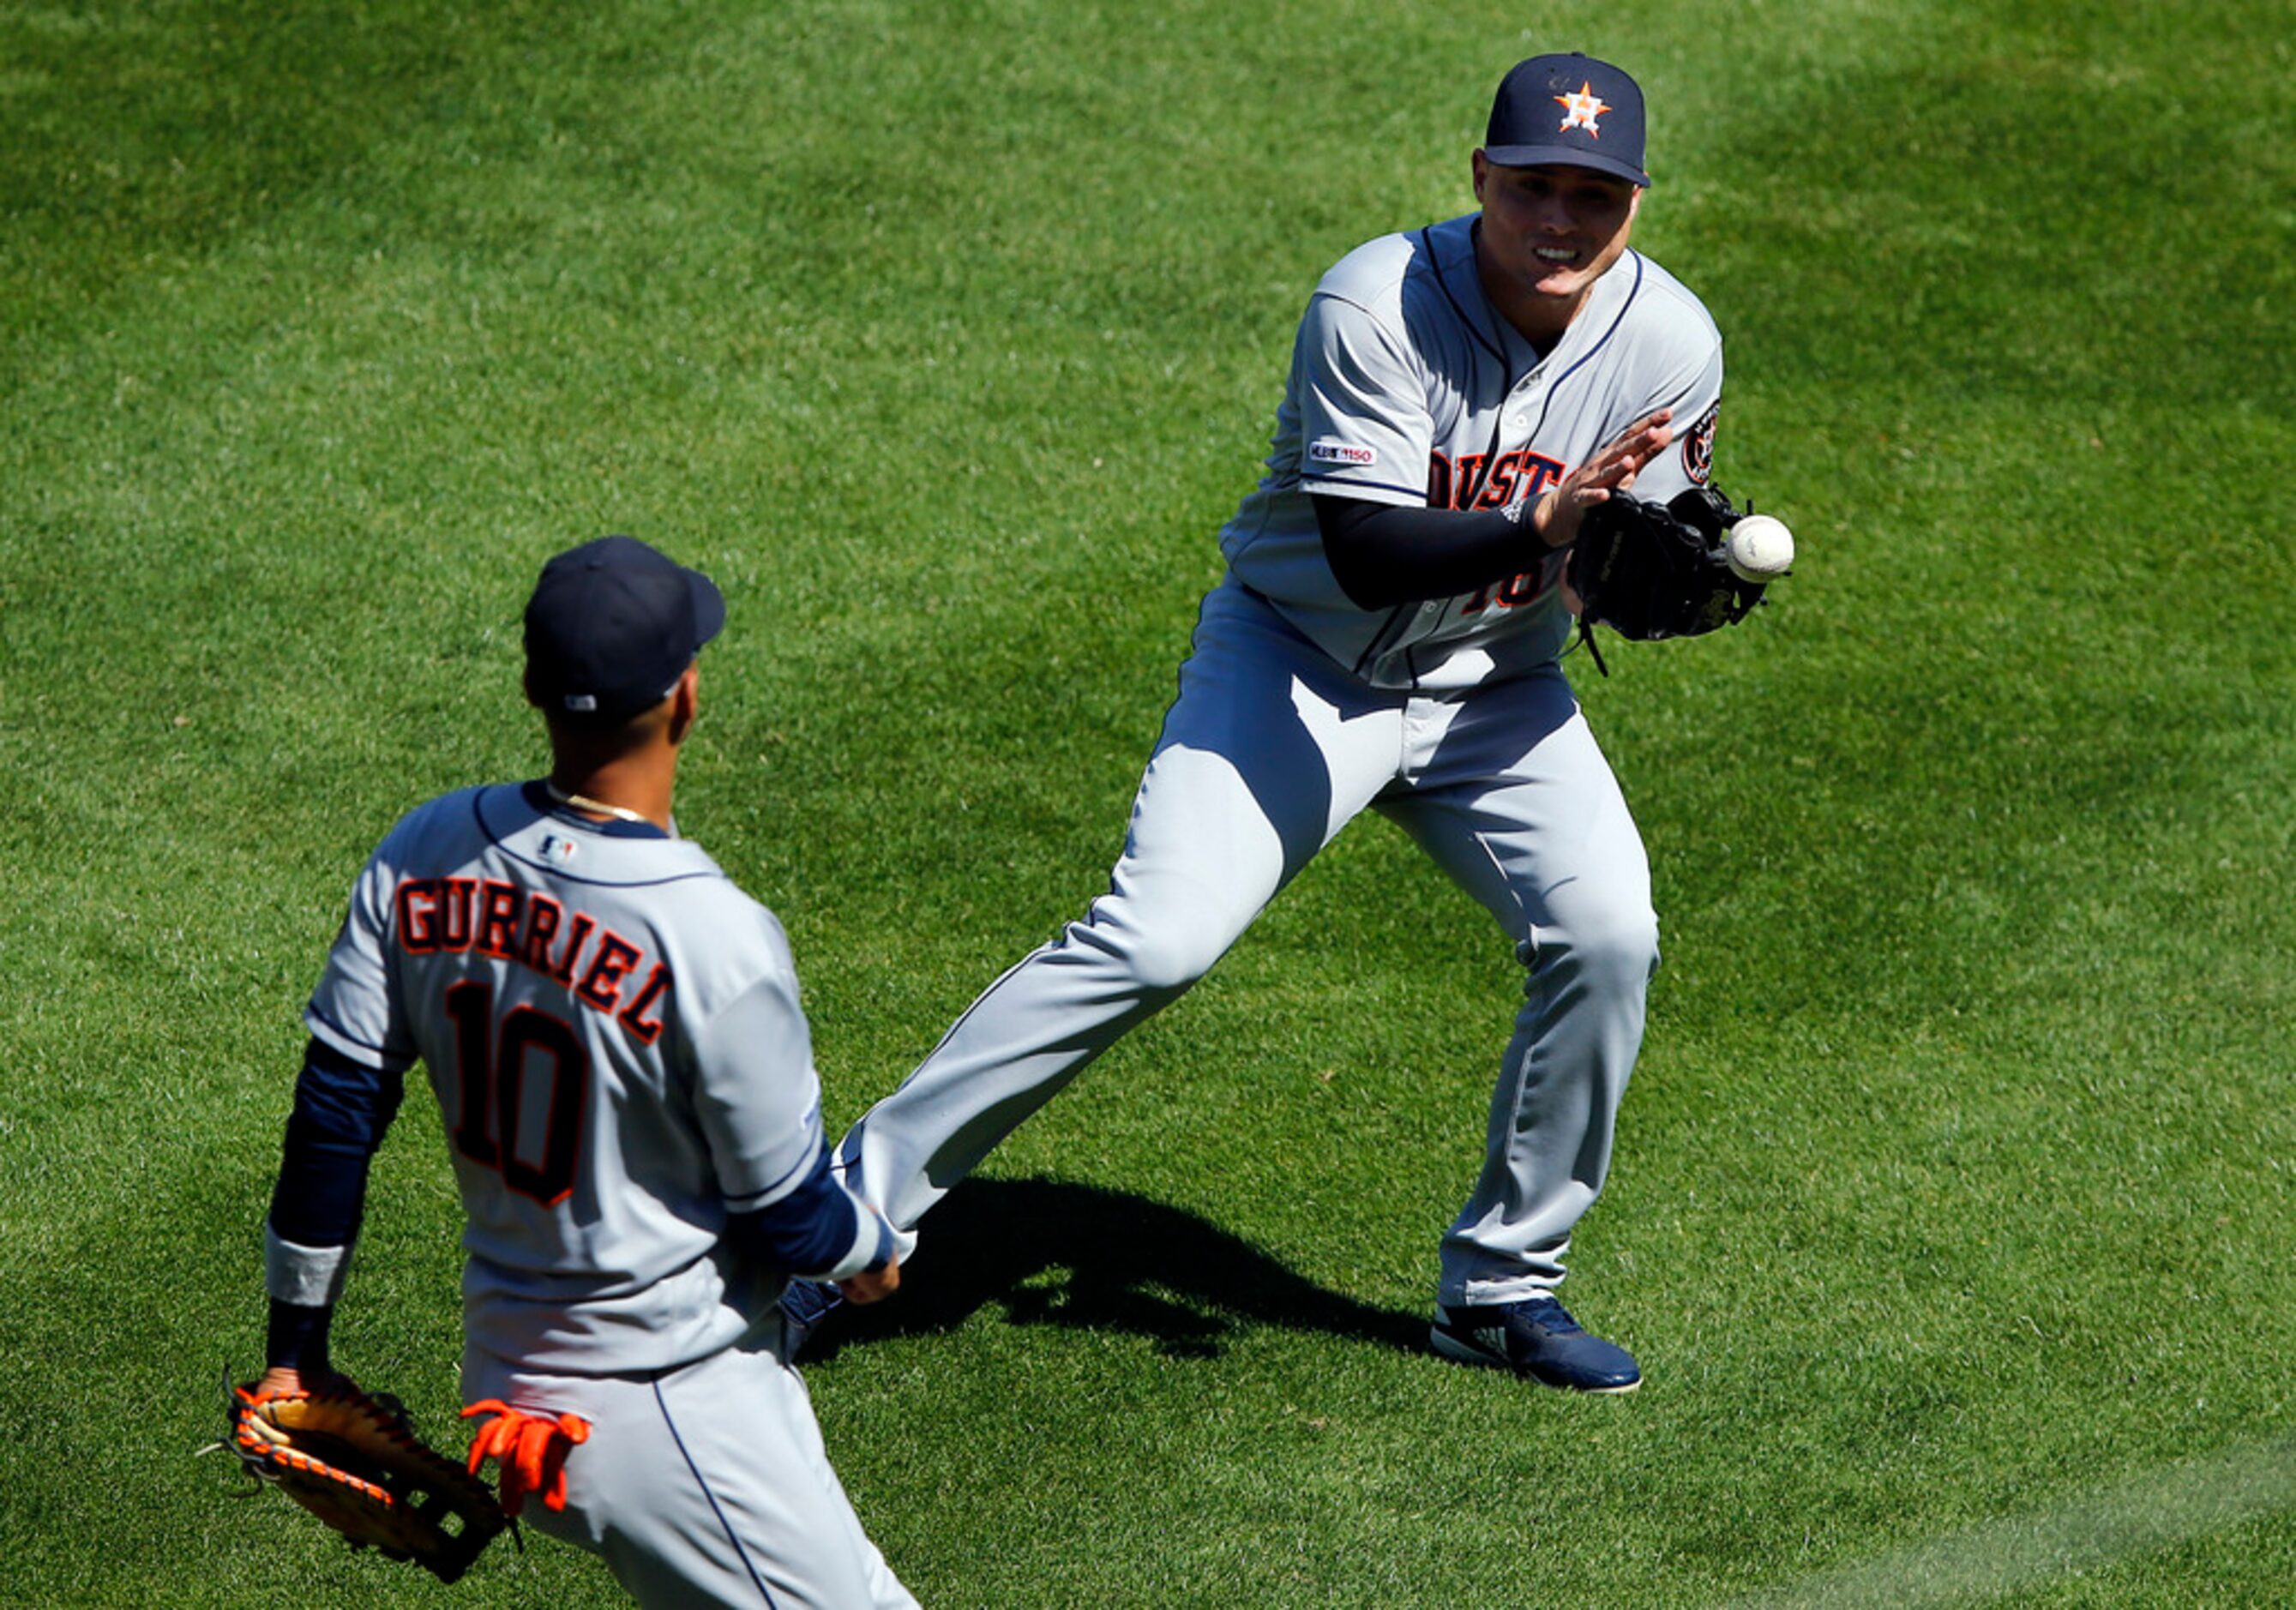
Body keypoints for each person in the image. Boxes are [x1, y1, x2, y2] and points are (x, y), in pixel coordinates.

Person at [799, 53, 1727, 1396]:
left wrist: (1658, 583)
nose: (1558, 222)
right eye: (1532, 185)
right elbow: (1361, 550)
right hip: (1298, 661)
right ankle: (837, 1228)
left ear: (1634, 202)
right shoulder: (1372, 303)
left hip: (1496, 693)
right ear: (1479, 179)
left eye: (1593, 193)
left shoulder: (1672, 342)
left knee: (1607, 932)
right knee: (1157, 939)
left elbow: (1611, 565)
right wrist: (1538, 522)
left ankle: (1502, 1289)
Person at [253, 535, 917, 1606]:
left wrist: (295, 1351)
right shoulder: (716, 938)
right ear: (687, 698)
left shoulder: (420, 852)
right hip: (671, 1412)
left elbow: (335, 1115)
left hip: (511, 1396)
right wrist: (874, 1251)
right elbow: (787, 1220)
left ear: (529, 688)